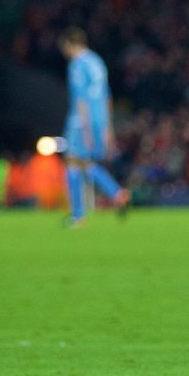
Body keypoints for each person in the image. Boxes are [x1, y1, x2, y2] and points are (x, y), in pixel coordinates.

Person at [58, 27, 130, 227]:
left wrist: (86, 128)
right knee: (86, 163)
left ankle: (78, 215)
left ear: (70, 44)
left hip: (81, 121)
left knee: (72, 161)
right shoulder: (98, 62)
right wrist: (107, 127)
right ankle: (117, 193)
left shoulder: (77, 64)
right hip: (100, 119)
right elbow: (106, 95)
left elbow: (81, 98)